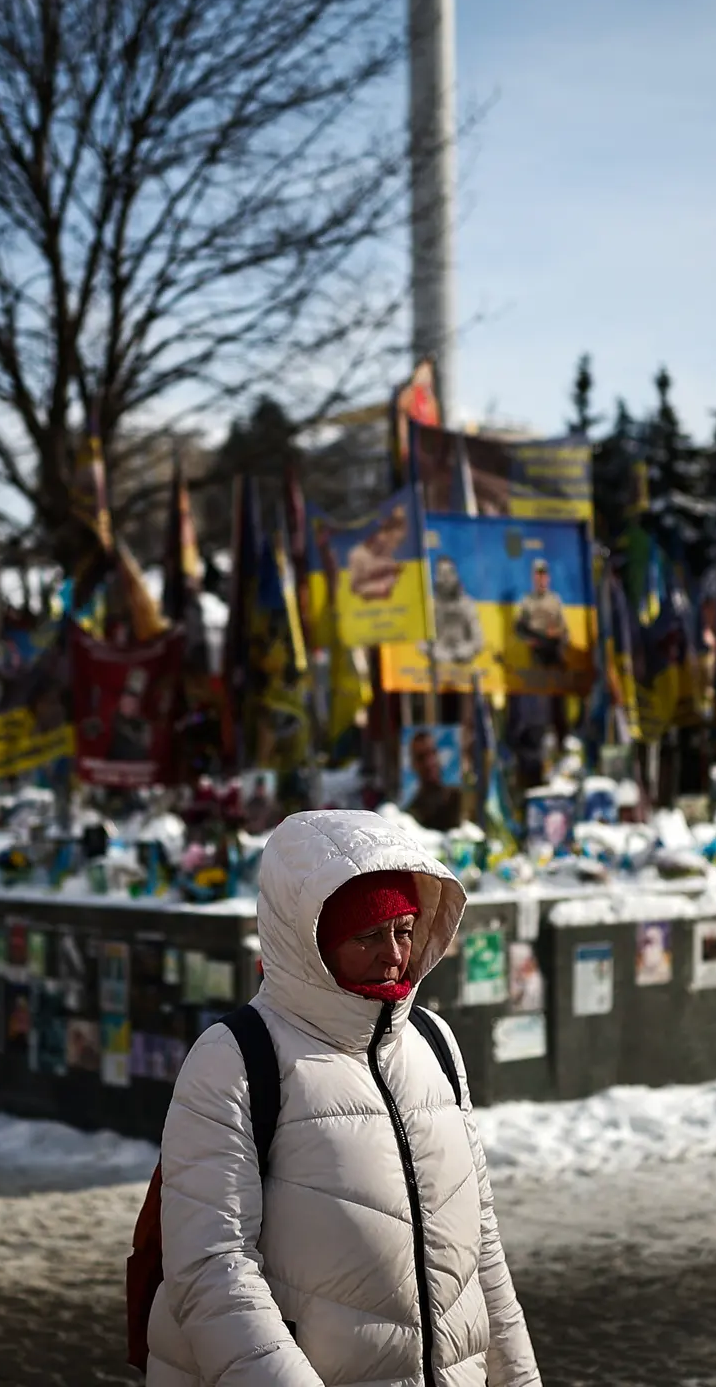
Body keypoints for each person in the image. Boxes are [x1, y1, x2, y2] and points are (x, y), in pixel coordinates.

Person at [147, 810, 541, 1387]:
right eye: (367, 935)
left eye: (404, 930)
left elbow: (482, 1244)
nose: (394, 955)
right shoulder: (235, 1058)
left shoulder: (434, 1043)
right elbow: (212, 1267)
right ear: (309, 941)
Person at [345, 506, 410, 602]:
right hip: (367, 590)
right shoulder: (357, 554)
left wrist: (400, 518)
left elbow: (399, 530)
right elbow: (355, 587)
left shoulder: (387, 543)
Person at [404, 728, 464, 832]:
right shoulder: (411, 815)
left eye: (432, 753)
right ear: (414, 765)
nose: (429, 762)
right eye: (421, 757)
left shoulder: (457, 799)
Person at [431, 554, 486, 666]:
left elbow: (479, 641)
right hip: (437, 672)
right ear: (436, 577)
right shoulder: (431, 606)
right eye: (441, 573)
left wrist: (465, 650)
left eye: (449, 572)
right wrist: (434, 649)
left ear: (455, 575)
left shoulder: (467, 604)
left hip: (464, 670)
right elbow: (420, 642)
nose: (445, 577)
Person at [513, 558, 568, 669]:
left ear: (548, 578)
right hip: (537, 652)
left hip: (554, 649)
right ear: (533, 578)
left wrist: (555, 633)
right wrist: (529, 640)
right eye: (538, 575)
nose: (541, 579)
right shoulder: (527, 601)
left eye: (543, 575)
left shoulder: (555, 600)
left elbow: (564, 629)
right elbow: (518, 629)